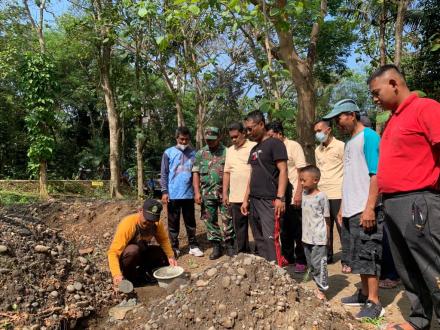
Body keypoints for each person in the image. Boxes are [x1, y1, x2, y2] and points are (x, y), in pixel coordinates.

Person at [368, 64, 440, 330]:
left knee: (432, 266)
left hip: (418, 201)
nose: (374, 99)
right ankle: (419, 320)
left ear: (395, 84)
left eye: (377, 93)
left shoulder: (426, 108)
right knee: (407, 268)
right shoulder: (393, 120)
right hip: (393, 204)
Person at [323, 99, 384, 319]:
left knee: (369, 255)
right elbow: (349, 177)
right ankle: (363, 293)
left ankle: (374, 302)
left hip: (364, 208)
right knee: (357, 255)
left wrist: (369, 208)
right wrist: (342, 209)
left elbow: (376, 175)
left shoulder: (369, 137)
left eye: (339, 117)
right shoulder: (349, 142)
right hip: (350, 208)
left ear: (351, 114)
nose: (337, 123)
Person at [241, 111, 288, 263]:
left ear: (261, 124)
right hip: (254, 200)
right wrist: (245, 199)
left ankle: (277, 275)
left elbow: (283, 170)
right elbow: (252, 175)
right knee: (259, 238)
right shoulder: (254, 149)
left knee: (270, 238)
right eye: (246, 129)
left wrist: (280, 197)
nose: (248, 133)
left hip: (269, 201)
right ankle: (266, 274)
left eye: (250, 128)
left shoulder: (275, 144)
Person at [107, 199, 177, 289]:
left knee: (160, 252)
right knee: (133, 250)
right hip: (126, 258)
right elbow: (113, 252)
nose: (149, 223)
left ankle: (145, 273)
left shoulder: (156, 224)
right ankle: (131, 279)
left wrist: (171, 256)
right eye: (147, 219)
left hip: (142, 251)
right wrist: (116, 274)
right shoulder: (128, 224)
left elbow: (163, 240)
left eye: (152, 220)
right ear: (140, 211)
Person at [267, 121, 307, 272]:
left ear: (280, 134)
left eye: (272, 135)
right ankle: (288, 257)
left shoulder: (293, 146)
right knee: (284, 229)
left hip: (294, 195)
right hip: (281, 196)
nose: (269, 138)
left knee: (298, 229)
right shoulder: (271, 148)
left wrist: (298, 193)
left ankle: (301, 260)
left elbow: (301, 171)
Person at [160, 126, 203, 258]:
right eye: (181, 139)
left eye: (186, 139)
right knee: (173, 223)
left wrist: (197, 192)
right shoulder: (168, 153)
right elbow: (164, 173)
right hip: (173, 194)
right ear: (176, 138)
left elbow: (196, 173)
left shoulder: (194, 153)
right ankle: (174, 247)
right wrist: (164, 191)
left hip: (188, 194)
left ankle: (193, 246)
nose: (184, 142)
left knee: (190, 222)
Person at [193, 127, 235, 259]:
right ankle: (216, 246)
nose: (210, 142)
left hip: (225, 193)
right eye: (207, 140)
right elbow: (196, 173)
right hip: (207, 193)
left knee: (227, 219)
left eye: (213, 139)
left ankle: (229, 244)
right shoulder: (200, 153)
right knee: (209, 220)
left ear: (219, 138)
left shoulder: (228, 152)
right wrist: (196, 192)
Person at [314, 120, 346, 269]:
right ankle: (328, 255)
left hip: (338, 192)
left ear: (329, 130)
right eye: (315, 131)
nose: (317, 134)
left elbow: (347, 169)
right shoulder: (317, 150)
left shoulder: (341, 146)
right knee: (324, 227)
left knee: (342, 227)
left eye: (319, 130)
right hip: (322, 193)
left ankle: (347, 258)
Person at [223, 122, 256, 253]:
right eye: (231, 137)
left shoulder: (254, 147)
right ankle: (243, 253)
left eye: (236, 136)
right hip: (235, 196)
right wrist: (225, 193)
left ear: (244, 133)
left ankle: (260, 254)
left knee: (256, 227)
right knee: (239, 228)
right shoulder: (230, 150)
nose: (233, 140)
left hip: (253, 196)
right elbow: (227, 172)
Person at [299, 165, 330, 301]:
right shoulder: (304, 195)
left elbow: (327, 217)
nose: (301, 183)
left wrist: (327, 236)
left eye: (304, 180)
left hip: (319, 238)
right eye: (300, 180)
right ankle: (314, 280)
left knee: (319, 264)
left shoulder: (321, 197)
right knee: (311, 263)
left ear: (315, 180)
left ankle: (321, 289)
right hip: (306, 238)